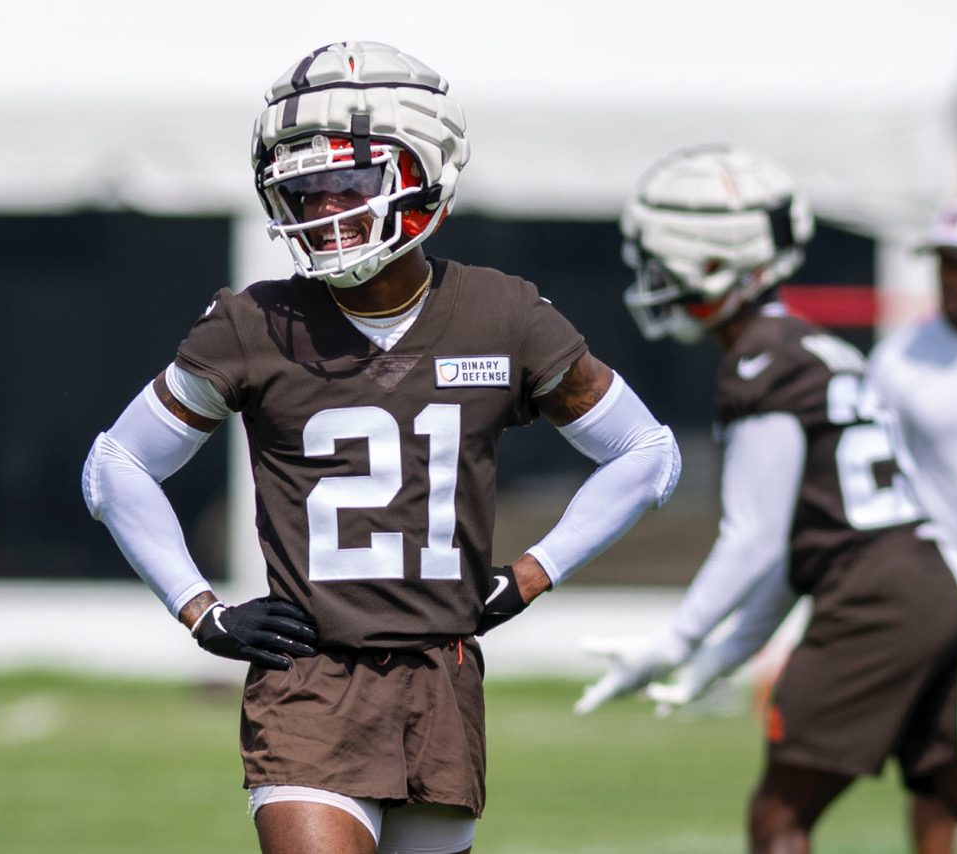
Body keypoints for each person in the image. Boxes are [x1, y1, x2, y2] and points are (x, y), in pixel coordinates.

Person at [83, 40, 680, 854]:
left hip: (443, 675)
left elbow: (646, 452)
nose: (324, 208)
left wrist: (533, 573)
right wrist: (202, 610)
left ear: (426, 173)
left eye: (350, 183)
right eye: (305, 188)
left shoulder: (503, 316)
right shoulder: (253, 324)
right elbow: (116, 466)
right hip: (310, 677)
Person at [574, 144, 957, 851]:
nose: (652, 280)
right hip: (937, 581)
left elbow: (754, 538)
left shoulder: (759, 362)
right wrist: (724, 654)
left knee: (778, 817)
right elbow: (787, 554)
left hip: (877, 598)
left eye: (662, 262)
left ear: (714, 265)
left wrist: (676, 641)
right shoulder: (812, 344)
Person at [869, 197, 957, 854]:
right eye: (942, 263)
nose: (950, 278)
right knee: (937, 765)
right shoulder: (899, 356)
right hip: (948, 594)